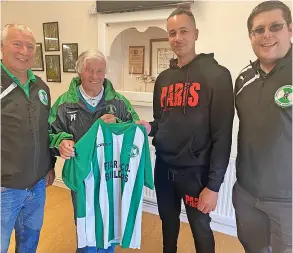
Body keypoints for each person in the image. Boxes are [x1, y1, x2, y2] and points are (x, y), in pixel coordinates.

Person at [136, 7, 234, 253]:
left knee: (200, 228)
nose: (177, 38)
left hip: (196, 174)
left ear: (196, 33)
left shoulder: (217, 75)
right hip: (165, 169)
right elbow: (163, 122)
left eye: (183, 31)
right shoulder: (164, 79)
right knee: (167, 225)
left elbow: (223, 135)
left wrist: (213, 186)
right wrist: (150, 127)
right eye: (172, 33)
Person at [48, 50, 139, 253]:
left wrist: (119, 124)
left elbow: (135, 130)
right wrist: (62, 141)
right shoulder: (64, 103)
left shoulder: (118, 103)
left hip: (111, 173)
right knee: (85, 221)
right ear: (80, 71)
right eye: (90, 70)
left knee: (109, 220)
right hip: (82, 175)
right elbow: (49, 132)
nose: (95, 76)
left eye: (100, 71)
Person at [232, 1, 292, 252]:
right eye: (259, 30)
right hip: (247, 194)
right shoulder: (243, 78)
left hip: (288, 201)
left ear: (290, 30)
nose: (267, 34)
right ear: (250, 36)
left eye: (275, 27)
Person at [1, 24, 55, 253]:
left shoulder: (41, 87)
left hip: (37, 186)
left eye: (30, 46)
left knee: (29, 243)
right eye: (17, 44)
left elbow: (46, 130)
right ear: (2, 46)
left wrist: (49, 166)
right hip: (5, 189)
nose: (25, 50)